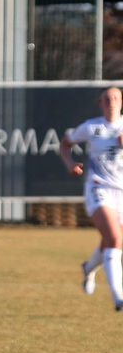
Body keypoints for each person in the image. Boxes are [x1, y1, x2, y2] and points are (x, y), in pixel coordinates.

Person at [61, 86, 123, 311]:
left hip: (122, 191)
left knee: (109, 241)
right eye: (107, 99)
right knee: (115, 239)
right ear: (101, 104)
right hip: (99, 188)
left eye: (116, 98)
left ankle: (88, 269)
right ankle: (119, 297)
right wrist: (70, 165)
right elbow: (65, 144)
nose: (112, 102)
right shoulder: (92, 127)